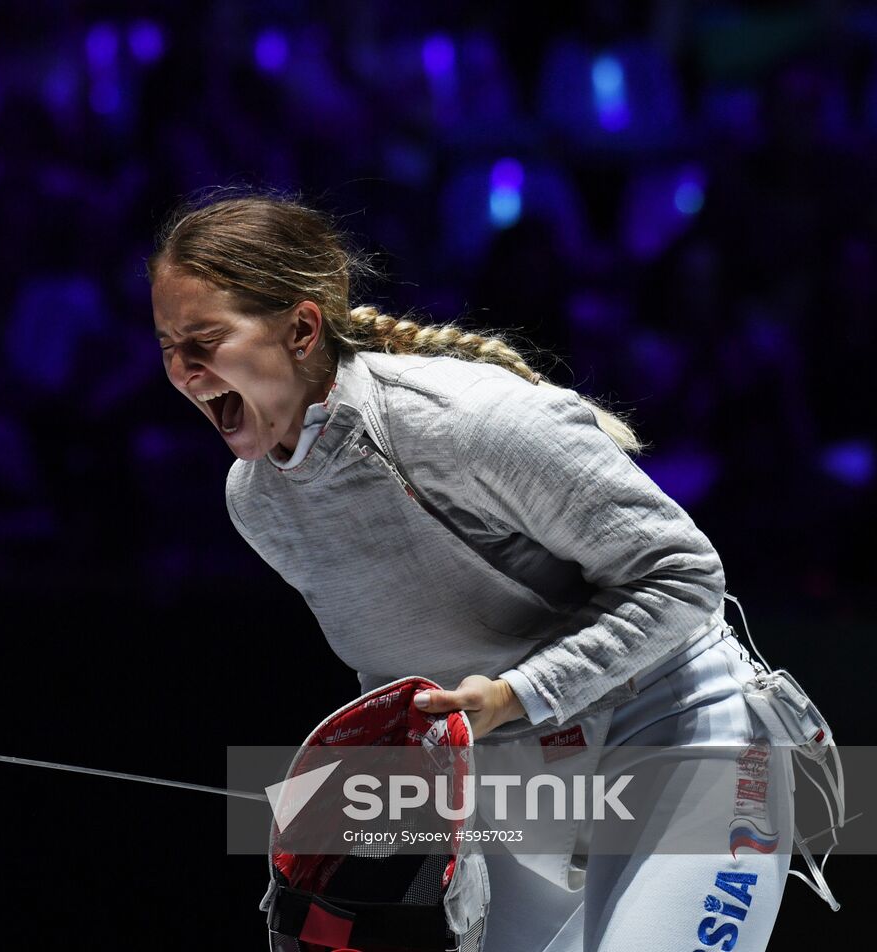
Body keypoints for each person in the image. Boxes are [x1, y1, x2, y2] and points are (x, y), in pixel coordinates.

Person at [147, 190, 799, 951]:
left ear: (300, 328)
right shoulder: (259, 503)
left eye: (205, 339)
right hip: (530, 789)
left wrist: (517, 694)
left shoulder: (457, 422)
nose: (185, 371)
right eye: (167, 345)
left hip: (683, 743)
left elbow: (684, 576)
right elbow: (403, 669)